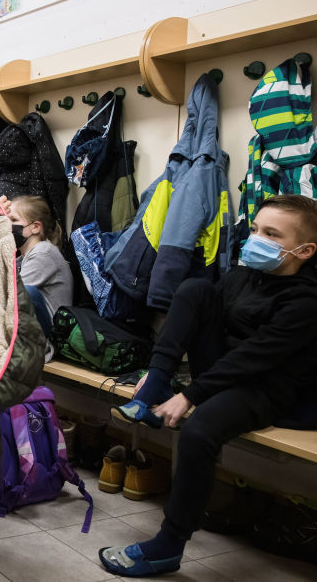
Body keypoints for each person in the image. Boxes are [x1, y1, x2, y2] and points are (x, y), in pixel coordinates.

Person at [101, 194, 317, 577]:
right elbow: (200, 320)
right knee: (194, 290)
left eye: (271, 234)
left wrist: (190, 396)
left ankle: (169, 546)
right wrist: (167, 377)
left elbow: (254, 358)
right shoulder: (242, 276)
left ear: (305, 250)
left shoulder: (306, 301)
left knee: (199, 431)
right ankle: (154, 384)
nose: (256, 239)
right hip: (225, 373)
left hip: (268, 388)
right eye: (254, 229)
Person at [9, 195, 73, 336]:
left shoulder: (43, 253)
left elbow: (13, 298)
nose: (8, 226)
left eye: (13, 220)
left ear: (36, 227)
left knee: (24, 292)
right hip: (35, 327)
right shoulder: (25, 257)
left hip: (49, 336)